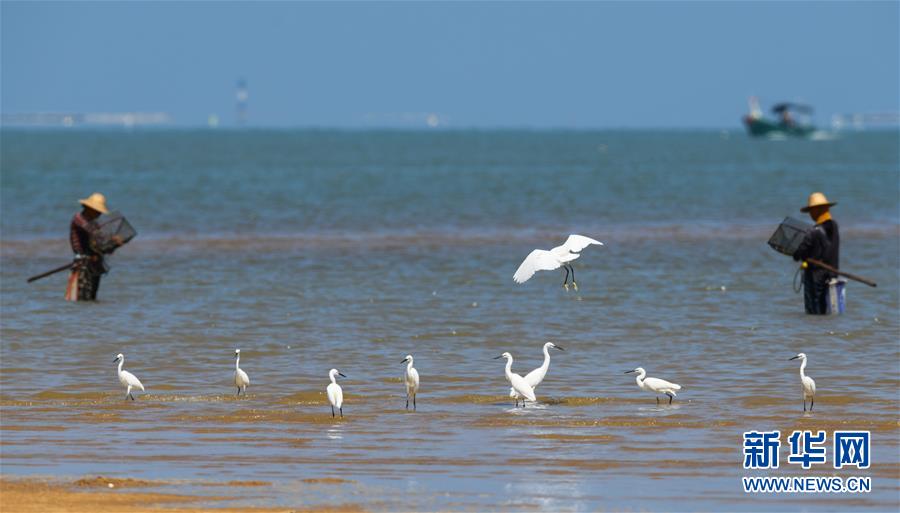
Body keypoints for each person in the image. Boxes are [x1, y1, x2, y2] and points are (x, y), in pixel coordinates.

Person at [66, 193, 120, 301]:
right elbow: (95, 234)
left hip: (94, 262)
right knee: (82, 297)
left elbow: (100, 244)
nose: (99, 213)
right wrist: (112, 239)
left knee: (92, 297)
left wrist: (113, 245)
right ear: (89, 208)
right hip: (83, 263)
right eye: (97, 211)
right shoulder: (79, 219)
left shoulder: (94, 223)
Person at [792, 192, 840, 315]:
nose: (810, 214)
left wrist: (796, 254)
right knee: (828, 309)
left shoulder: (813, 232)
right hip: (832, 274)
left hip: (815, 277)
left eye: (811, 211)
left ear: (817, 211)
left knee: (814, 310)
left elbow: (798, 253)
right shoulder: (834, 226)